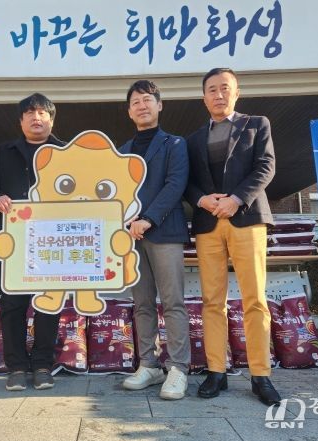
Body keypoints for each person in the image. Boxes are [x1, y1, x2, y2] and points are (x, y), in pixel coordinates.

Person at [185, 68, 281, 406]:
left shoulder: (257, 124)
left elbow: (265, 166)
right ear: (204, 98)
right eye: (212, 89)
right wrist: (202, 200)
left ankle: (261, 375)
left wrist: (236, 199)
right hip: (208, 223)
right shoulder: (193, 139)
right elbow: (187, 181)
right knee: (212, 301)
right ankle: (216, 371)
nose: (218, 94)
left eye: (225, 88)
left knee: (254, 299)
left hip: (246, 218)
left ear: (236, 92)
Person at [0, 93, 64, 391]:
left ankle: (42, 365)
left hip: (53, 242)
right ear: (21, 121)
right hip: (13, 241)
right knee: (12, 304)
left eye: (42, 113)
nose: (36, 118)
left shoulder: (66, 152)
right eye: (30, 113)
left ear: (51, 120)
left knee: (48, 305)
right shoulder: (4, 152)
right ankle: (16, 367)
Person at [118, 80, 191, 400]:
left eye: (147, 100)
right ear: (129, 111)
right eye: (135, 102)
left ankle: (178, 368)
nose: (142, 106)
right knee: (142, 303)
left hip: (164, 232)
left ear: (159, 105)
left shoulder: (175, 144)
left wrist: (148, 218)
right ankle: (148, 364)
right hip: (131, 237)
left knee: (173, 302)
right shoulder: (121, 151)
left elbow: (175, 185)